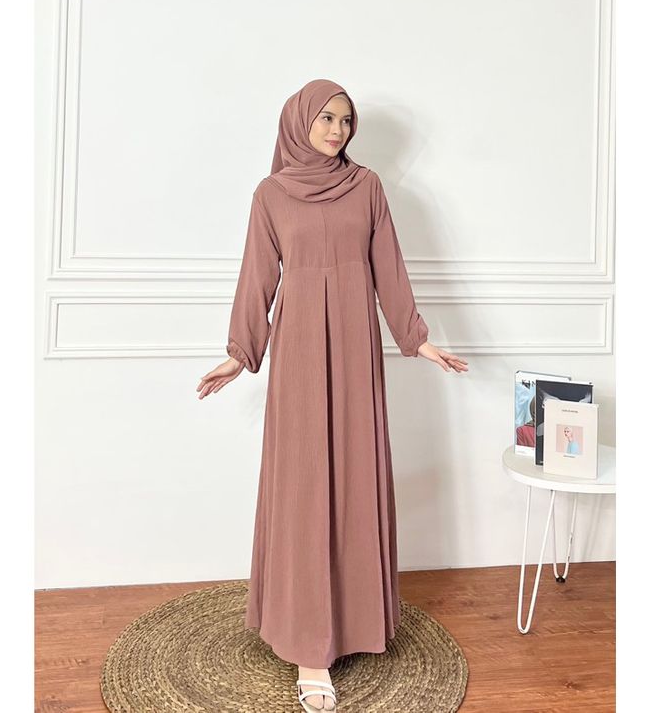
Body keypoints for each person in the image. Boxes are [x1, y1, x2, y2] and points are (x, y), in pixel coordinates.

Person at [196, 79, 468, 712]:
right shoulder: (271, 194)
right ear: (299, 121)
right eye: (326, 118)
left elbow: (388, 268)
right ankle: (308, 646)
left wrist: (417, 338)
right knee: (304, 486)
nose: (337, 130)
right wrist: (241, 352)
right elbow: (258, 276)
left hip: (354, 346)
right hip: (297, 352)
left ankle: (350, 620)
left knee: (351, 478)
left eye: (346, 120)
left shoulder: (366, 187)